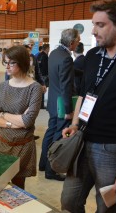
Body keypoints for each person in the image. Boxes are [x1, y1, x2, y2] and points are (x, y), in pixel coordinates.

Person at [61, 0, 116, 212]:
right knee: (69, 200)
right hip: (82, 142)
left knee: (108, 206)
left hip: (114, 149)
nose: (93, 31)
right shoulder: (92, 56)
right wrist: (75, 124)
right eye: (93, 24)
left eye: (100, 25)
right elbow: (84, 95)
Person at [0, 46, 42, 189]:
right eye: (6, 62)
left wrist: (3, 114)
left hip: (22, 147)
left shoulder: (34, 88)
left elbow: (28, 120)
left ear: (22, 63)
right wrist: (12, 123)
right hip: (0, 143)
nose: (7, 66)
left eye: (11, 63)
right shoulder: (2, 86)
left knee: (17, 188)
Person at [39, 28, 80, 181]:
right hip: (62, 105)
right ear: (71, 42)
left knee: (50, 133)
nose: (78, 43)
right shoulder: (66, 58)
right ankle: (51, 170)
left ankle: (43, 164)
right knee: (58, 137)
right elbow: (66, 86)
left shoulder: (54, 53)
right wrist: (69, 110)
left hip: (52, 102)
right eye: (77, 41)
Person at [36, 43, 50, 108]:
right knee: (43, 89)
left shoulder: (39, 55)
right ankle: (41, 105)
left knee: (40, 90)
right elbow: (46, 67)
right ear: (47, 48)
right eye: (49, 48)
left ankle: (40, 105)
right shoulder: (45, 56)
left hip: (39, 75)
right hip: (44, 75)